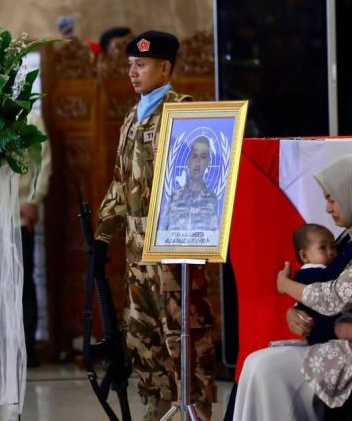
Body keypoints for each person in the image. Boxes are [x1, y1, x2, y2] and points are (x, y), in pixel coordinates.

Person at [94, 30, 216, 420]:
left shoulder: (182, 112)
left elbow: (198, 178)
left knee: (182, 331)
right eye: (131, 65)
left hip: (173, 247)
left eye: (141, 65)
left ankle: (196, 407)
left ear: (165, 68)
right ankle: (157, 405)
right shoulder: (132, 117)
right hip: (136, 249)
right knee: (142, 333)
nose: (133, 72)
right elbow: (121, 181)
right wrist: (102, 234)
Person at [233, 155, 352, 421]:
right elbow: (322, 284)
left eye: (332, 199)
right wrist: (294, 312)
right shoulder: (349, 238)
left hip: (350, 350)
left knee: (268, 370)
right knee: (254, 362)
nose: (328, 209)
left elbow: (336, 297)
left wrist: (286, 286)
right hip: (334, 341)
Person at [19, 110, 52, 368]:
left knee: (23, 284)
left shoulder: (30, 117)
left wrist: (34, 199)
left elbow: (43, 160)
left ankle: (26, 349)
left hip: (18, 215)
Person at [291, 223, 352, 345]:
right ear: (304, 256)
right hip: (321, 331)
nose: (331, 252)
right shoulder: (306, 273)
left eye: (333, 246)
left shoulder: (318, 268)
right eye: (323, 248)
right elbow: (331, 274)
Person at [159, 135, 219, 235]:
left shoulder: (212, 200)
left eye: (203, 157)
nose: (198, 163)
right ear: (188, 161)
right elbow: (162, 234)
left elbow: (215, 237)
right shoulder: (174, 197)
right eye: (194, 157)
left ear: (208, 162)